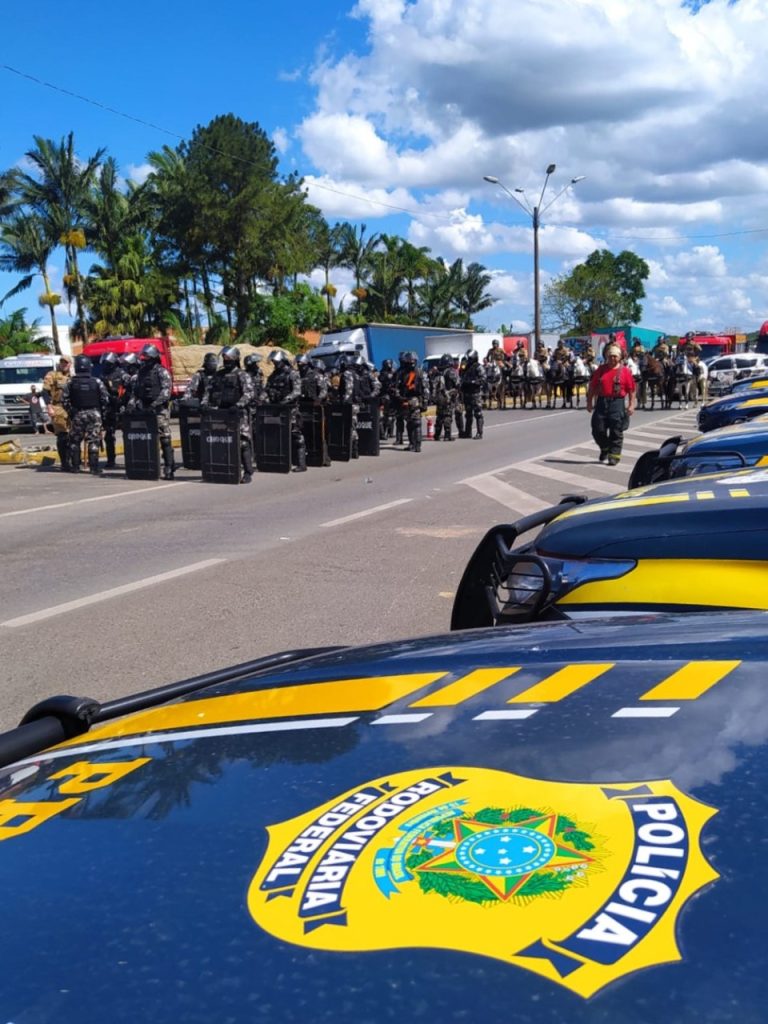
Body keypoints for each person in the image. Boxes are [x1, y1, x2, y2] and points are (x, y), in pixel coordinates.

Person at [203, 346, 255, 483]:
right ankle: (224, 469)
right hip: (221, 413)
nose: (226, 361)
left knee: (243, 442)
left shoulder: (242, 375)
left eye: (229, 358)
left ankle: (248, 472)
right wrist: (204, 404)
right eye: (224, 358)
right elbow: (208, 391)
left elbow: (249, 393)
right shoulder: (218, 375)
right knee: (221, 440)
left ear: (235, 358)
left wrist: (238, 405)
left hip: (237, 413)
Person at [128, 343, 176, 480]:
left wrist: (154, 405)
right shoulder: (141, 372)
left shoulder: (162, 371)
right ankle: (146, 467)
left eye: (147, 356)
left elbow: (166, 391)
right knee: (144, 438)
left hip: (159, 410)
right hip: (144, 409)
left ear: (154, 357)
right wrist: (132, 404)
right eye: (144, 356)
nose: (144, 358)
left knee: (164, 439)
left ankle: (169, 468)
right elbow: (135, 391)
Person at [586, 344, 636, 466]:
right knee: (597, 429)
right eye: (610, 356)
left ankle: (614, 456)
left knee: (616, 430)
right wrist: (589, 402)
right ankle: (605, 448)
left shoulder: (625, 371)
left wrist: (631, 404)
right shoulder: (601, 370)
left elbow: (632, 390)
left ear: (619, 357)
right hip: (602, 402)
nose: (612, 358)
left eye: (615, 356)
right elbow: (592, 387)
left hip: (617, 403)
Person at [62, 355, 109, 475]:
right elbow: (105, 399)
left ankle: (76, 467)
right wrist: (101, 413)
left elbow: (64, 400)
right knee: (93, 440)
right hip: (94, 414)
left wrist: (71, 411)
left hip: (78, 413)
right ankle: (94, 468)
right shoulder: (97, 381)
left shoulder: (70, 382)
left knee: (75, 441)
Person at [265, 350, 306, 472]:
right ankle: (279, 461)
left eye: (277, 361)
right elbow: (266, 389)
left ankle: (301, 463)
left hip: (290, 409)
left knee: (296, 435)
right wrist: (263, 400)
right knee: (277, 435)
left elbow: (297, 391)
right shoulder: (273, 375)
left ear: (283, 361)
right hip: (276, 409)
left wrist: (286, 400)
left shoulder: (292, 374)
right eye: (274, 362)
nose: (275, 364)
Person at [100, 351, 130, 468]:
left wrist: (123, 399)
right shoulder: (103, 375)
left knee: (126, 434)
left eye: (108, 363)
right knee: (109, 435)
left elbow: (130, 389)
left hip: (121, 407)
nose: (106, 365)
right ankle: (110, 460)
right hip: (109, 408)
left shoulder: (122, 374)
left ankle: (129, 458)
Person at [393, 350, 429, 452]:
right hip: (408, 400)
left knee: (414, 423)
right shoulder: (404, 373)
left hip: (412, 400)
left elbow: (425, 389)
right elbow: (396, 388)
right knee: (411, 423)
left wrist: (425, 401)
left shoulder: (416, 373)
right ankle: (413, 444)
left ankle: (415, 445)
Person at [42, 355, 72, 471]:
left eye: (66, 363)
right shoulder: (52, 375)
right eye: (62, 362)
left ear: (70, 364)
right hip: (58, 407)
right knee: (63, 436)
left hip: (72, 409)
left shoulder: (73, 376)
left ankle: (74, 461)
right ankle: (65, 462)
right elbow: (45, 392)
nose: (64, 365)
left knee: (73, 436)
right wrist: (49, 407)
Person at [459, 349, 487, 439]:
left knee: (478, 413)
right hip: (467, 393)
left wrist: (473, 382)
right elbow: (461, 374)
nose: (468, 360)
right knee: (468, 414)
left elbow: (483, 379)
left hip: (475, 393)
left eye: (469, 358)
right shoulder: (466, 366)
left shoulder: (479, 367)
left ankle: (479, 433)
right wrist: (462, 365)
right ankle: (468, 432)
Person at [433, 354, 459, 441]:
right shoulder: (451, 372)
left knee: (439, 416)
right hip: (448, 396)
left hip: (439, 397)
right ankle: (447, 435)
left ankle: (436, 435)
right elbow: (457, 384)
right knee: (447, 415)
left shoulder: (438, 373)